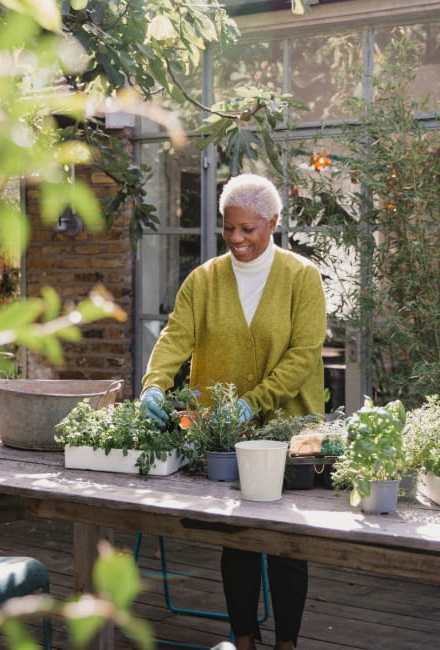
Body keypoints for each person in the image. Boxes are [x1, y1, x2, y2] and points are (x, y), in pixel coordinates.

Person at [140, 173, 327, 650]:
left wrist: (251, 403)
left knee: (288, 544)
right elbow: (175, 338)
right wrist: (154, 386)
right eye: (230, 229)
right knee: (237, 537)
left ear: (274, 223)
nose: (239, 240)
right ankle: (243, 638)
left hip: (291, 433)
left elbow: (303, 354)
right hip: (221, 435)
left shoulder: (302, 277)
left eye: (250, 229)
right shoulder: (203, 281)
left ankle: (287, 643)